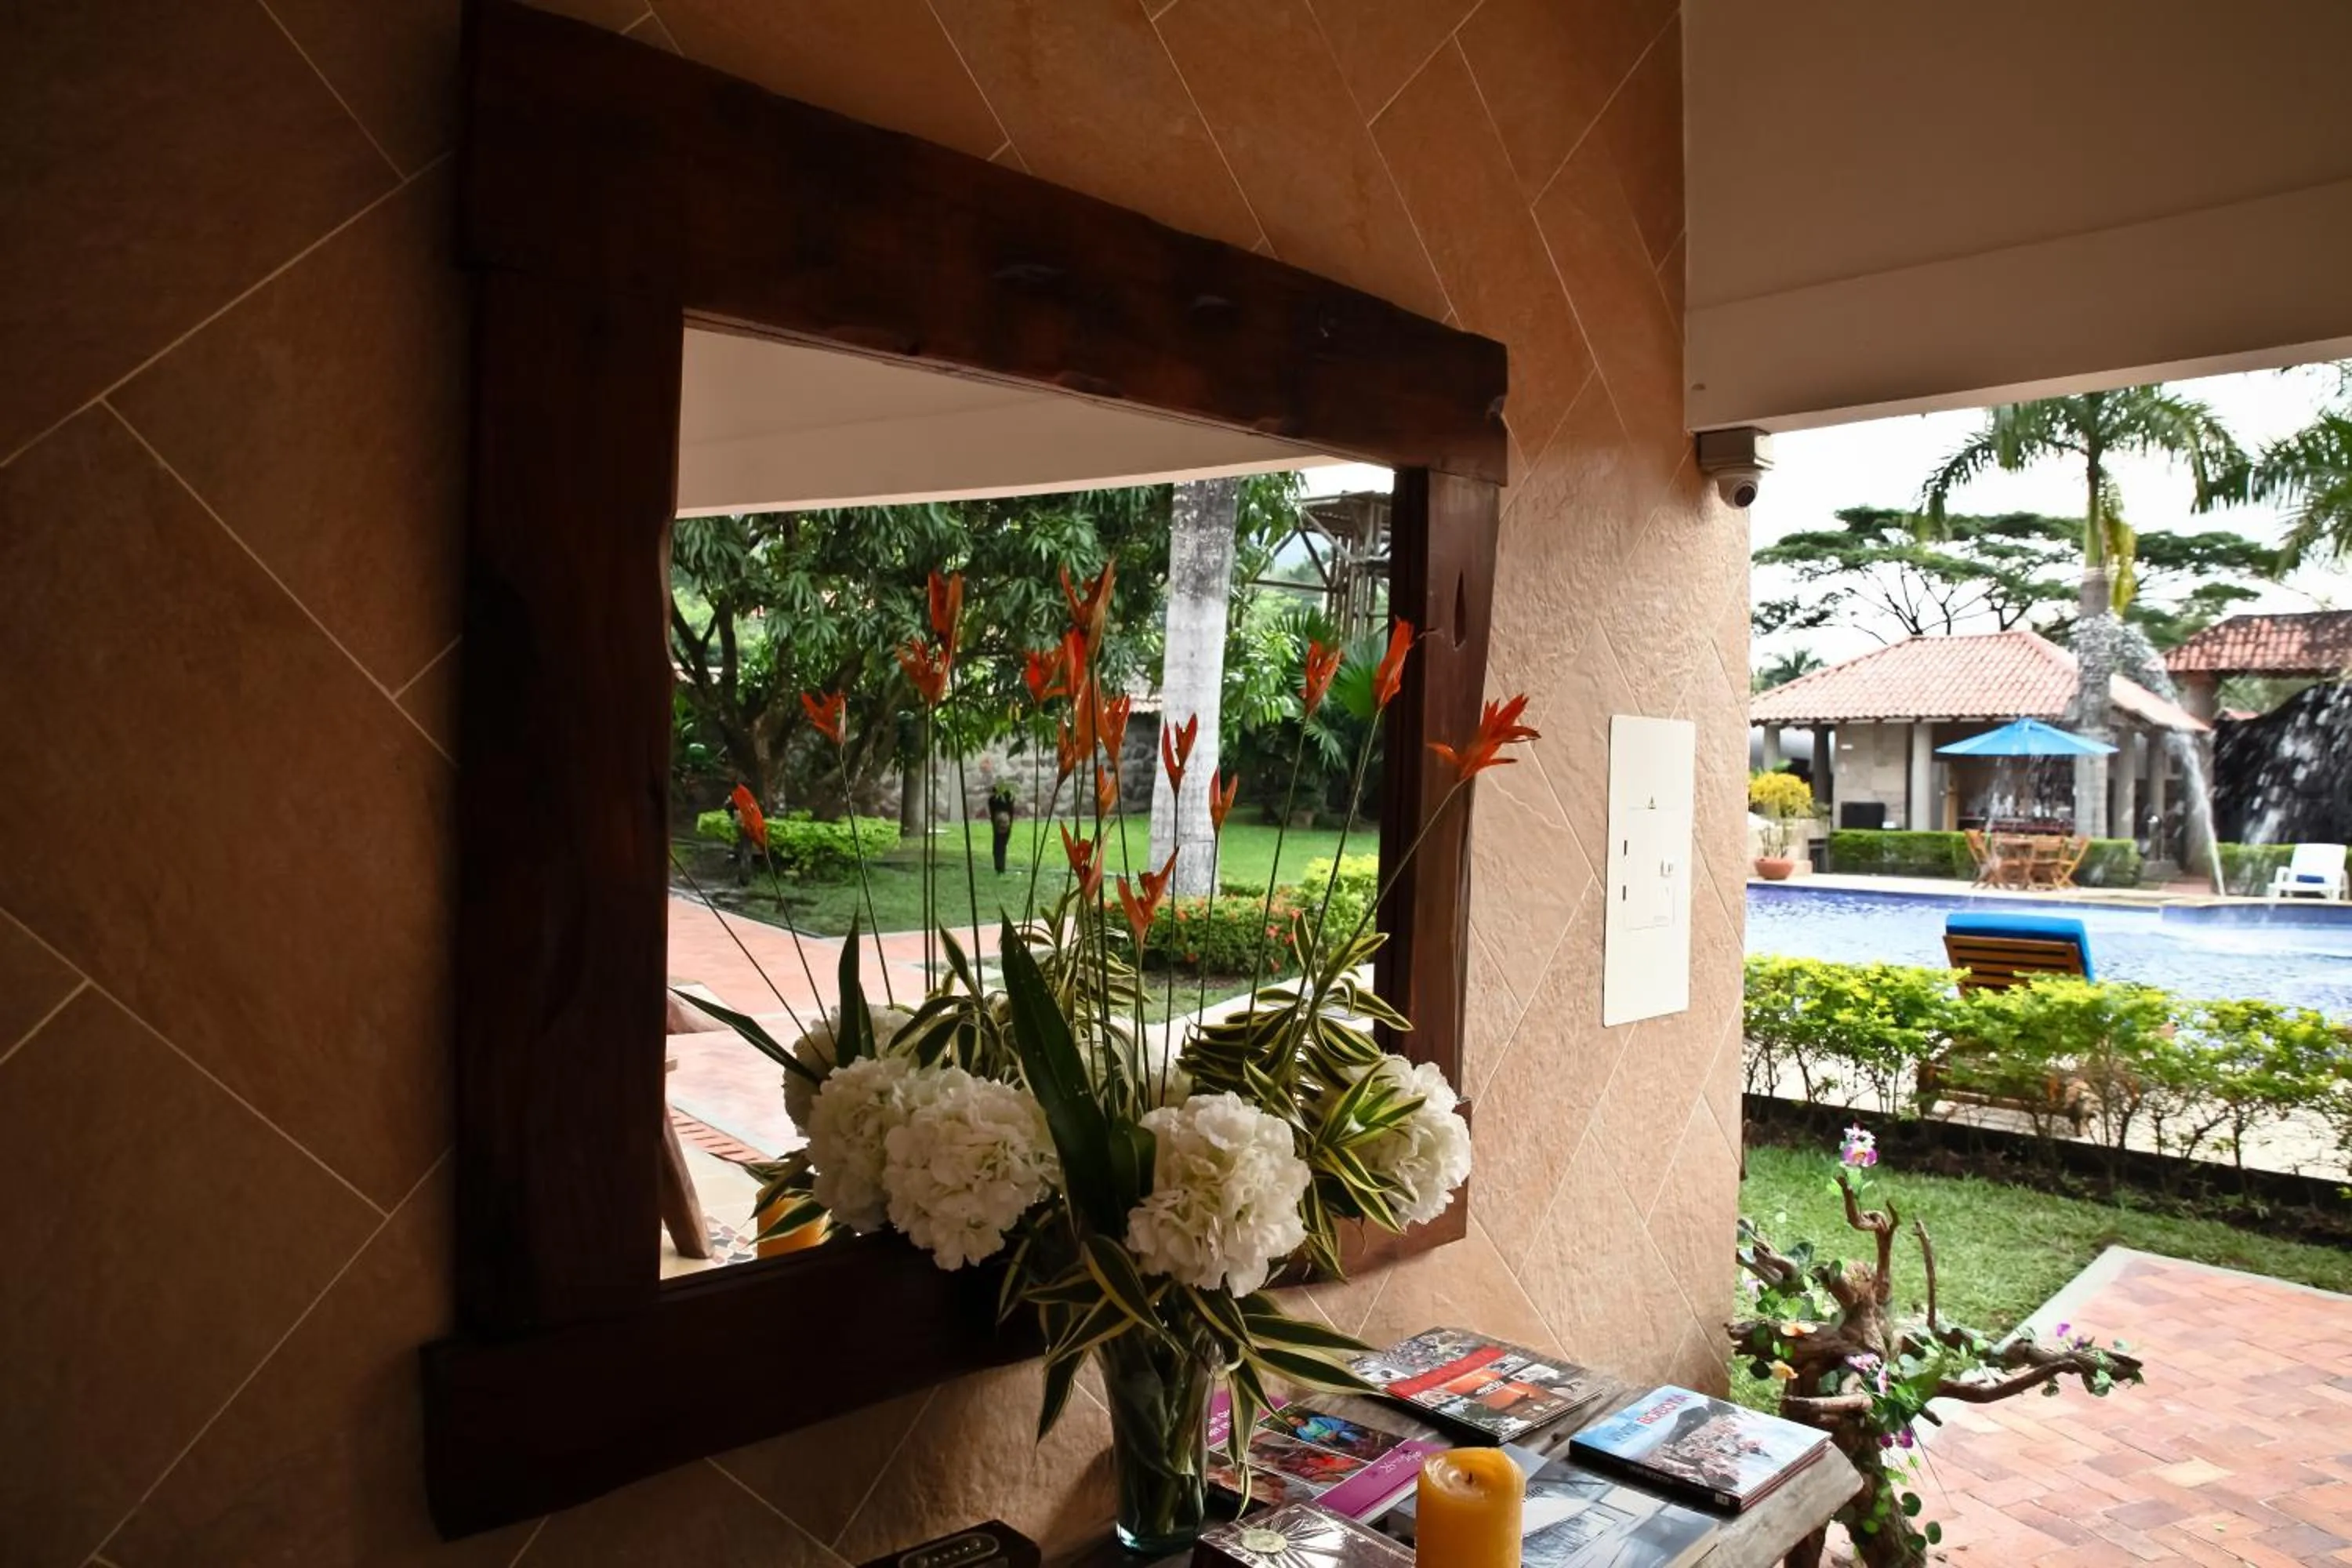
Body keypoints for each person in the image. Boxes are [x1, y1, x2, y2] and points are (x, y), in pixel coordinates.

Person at [988, 783, 1017, 874]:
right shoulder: (1009, 800)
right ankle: (1000, 867)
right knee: (1002, 846)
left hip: (998, 826)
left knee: (998, 847)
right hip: (1004, 826)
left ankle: (999, 867)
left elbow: (992, 812)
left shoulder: (992, 801)